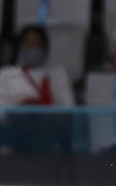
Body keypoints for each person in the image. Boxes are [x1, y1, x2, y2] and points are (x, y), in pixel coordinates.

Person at [0, 25, 75, 153]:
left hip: (48, 136)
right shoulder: (7, 74)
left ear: (45, 49)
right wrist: (19, 109)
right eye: (29, 44)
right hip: (15, 134)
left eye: (37, 45)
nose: (33, 49)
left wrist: (40, 112)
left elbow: (69, 109)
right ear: (20, 47)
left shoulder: (57, 75)